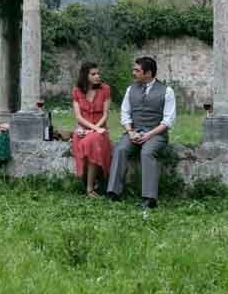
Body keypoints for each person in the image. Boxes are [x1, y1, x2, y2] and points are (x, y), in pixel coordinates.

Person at [106, 56, 176, 208]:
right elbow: (125, 113)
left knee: (147, 152)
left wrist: (149, 135)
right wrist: (130, 132)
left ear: (148, 73)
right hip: (134, 131)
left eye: (137, 70)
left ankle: (149, 199)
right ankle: (113, 192)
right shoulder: (131, 89)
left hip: (156, 134)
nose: (133, 73)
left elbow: (168, 121)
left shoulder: (167, 91)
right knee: (120, 149)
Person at [71, 62, 112, 197]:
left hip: (100, 130)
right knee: (83, 139)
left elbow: (105, 114)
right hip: (84, 129)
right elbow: (78, 117)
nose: (97, 76)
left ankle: (90, 188)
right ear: (85, 75)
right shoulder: (77, 90)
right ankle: (89, 183)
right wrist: (90, 129)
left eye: (98, 73)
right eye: (93, 74)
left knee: (92, 141)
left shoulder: (105, 89)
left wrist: (96, 129)